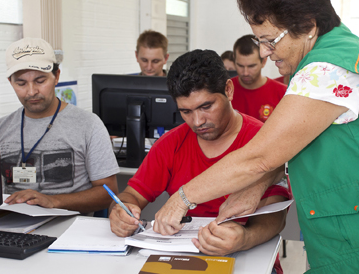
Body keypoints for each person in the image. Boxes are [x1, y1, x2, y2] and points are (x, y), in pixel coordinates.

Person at [153, 0, 359, 274]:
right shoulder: (331, 55)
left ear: (307, 26)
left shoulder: (328, 70)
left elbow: (259, 156)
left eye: (269, 40)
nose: (264, 53)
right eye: (258, 40)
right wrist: (255, 188)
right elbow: (294, 144)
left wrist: (183, 198)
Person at [109, 50, 290, 274]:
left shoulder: (262, 141)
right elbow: (132, 195)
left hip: (249, 260)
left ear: (229, 90)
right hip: (181, 262)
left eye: (206, 107)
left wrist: (245, 238)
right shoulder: (170, 144)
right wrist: (121, 211)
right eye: (186, 111)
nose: (198, 121)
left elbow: (277, 214)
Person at [0, 37, 120, 213]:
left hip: (69, 229)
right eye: (21, 83)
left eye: (40, 81)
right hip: (11, 226)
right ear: (11, 82)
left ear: (56, 77)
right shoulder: (0, 129)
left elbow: (109, 193)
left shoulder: (88, 125)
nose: (32, 91)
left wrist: (53, 201)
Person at [231, 34, 287, 123]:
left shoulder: (283, 93)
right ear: (234, 60)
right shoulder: (224, 90)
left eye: (251, 66)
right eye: (240, 65)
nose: (245, 72)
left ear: (263, 61)